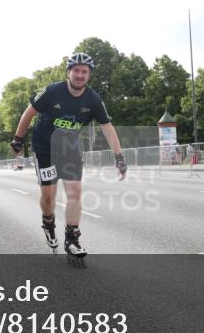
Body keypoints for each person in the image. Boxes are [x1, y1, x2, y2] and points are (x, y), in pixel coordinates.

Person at [11, 52, 126, 258]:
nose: (80, 75)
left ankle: (72, 237)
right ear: (69, 72)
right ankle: (48, 221)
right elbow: (29, 112)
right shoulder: (53, 91)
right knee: (49, 195)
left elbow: (107, 127)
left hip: (69, 148)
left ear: (89, 75)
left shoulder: (93, 99)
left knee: (75, 191)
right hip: (45, 146)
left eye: (85, 72)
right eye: (77, 71)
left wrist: (119, 157)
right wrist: (18, 139)